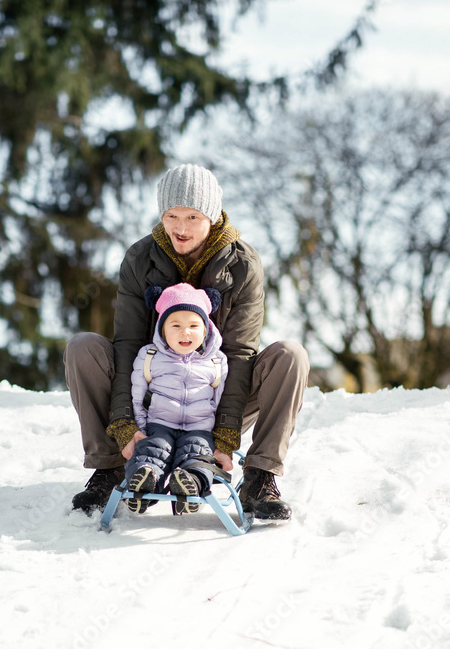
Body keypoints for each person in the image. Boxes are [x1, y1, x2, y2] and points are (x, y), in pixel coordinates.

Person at [65, 164, 309, 520]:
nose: (180, 228)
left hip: (214, 397)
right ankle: (110, 469)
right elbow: (128, 345)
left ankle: (259, 477)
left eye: (193, 216)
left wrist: (225, 435)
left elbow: (240, 353)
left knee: (290, 356)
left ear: (211, 216)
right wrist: (124, 425)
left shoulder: (243, 264)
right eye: (171, 215)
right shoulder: (139, 258)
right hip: (152, 397)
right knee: (83, 346)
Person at [122, 283, 228, 515]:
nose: (185, 332)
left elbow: (221, 401)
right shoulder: (150, 356)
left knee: (197, 453)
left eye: (193, 325)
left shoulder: (217, 361)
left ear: (205, 329)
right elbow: (137, 395)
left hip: (200, 427)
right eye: (176, 325)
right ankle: (144, 481)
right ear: (163, 330)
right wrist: (138, 428)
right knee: (153, 449)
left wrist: (220, 439)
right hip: (161, 423)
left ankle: (191, 484)